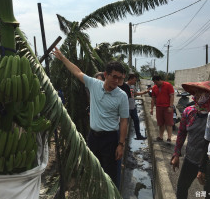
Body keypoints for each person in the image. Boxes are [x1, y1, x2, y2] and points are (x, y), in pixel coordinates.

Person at [52, 47, 129, 185]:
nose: (117, 81)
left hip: (110, 139)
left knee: (110, 174)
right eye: (114, 77)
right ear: (106, 74)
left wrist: (121, 144)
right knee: (93, 169)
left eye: (120, 78)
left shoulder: (121, 96)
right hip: (93, 137)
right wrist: (63, 58)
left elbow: (124, 121)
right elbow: (77, 72)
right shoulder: (94, 84)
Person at [170, 81, 210, 199]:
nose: (198, 96)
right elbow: (181, 133)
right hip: (191, 158)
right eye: (196, 93)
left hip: (209, 162)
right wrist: (176, 154)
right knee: (182, 187)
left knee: (209, 192)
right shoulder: (189, 111)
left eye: (202, 93)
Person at [150, 75, 175, 143]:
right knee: (160, 123)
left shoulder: (168, 85)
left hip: (167, 107)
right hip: (159, 107)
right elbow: (153, 98)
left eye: (156, 82)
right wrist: (151, 108)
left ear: (160, 80)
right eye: (154, 82)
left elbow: (171, 96)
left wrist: (170, 106)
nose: (155, 84)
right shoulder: (154, 87)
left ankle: (169, 138)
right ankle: (160, 136)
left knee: (169, 123)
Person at [127, 73, 149, 140]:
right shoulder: (124, 86)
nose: (135, 82)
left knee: (136, 120)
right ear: (130, 79)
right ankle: (124, 137)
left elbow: (134, 94)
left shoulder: (133, 86)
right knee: (125, 123)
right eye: (134, 80)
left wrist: (143, 92)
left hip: (133, 107)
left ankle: (138, 135)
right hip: (126, 108)